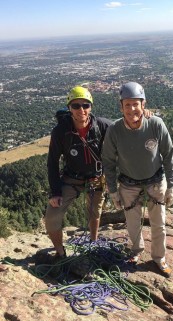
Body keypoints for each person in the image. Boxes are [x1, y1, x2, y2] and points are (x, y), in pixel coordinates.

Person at [102, 82, 173, 276]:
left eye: (135, 104)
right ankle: (136, 251)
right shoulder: (115, 130)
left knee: (158, 223)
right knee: (133, 223)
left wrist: (172, 186)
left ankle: (159, 258)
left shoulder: (155, 124)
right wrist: (112, 191)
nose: (132, 109)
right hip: (128, 183)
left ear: (143, 104)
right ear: (121, 107)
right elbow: (108, 162)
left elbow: (168, 154)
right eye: (127, 105)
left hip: (155, 180)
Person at [44, 86, 112, 258]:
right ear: (69, 108)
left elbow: (127, 130)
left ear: (91, 107)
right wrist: (55, 192)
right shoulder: (61, 132)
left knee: (94, 213)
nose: (81, 109)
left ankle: (93, 243)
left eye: (85, 105)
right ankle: (60, 253)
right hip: (71, 178)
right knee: (52, 217)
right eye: (76, 106)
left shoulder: (103, 126)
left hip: (96, 177)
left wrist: (145, 115)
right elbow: (52, 162)